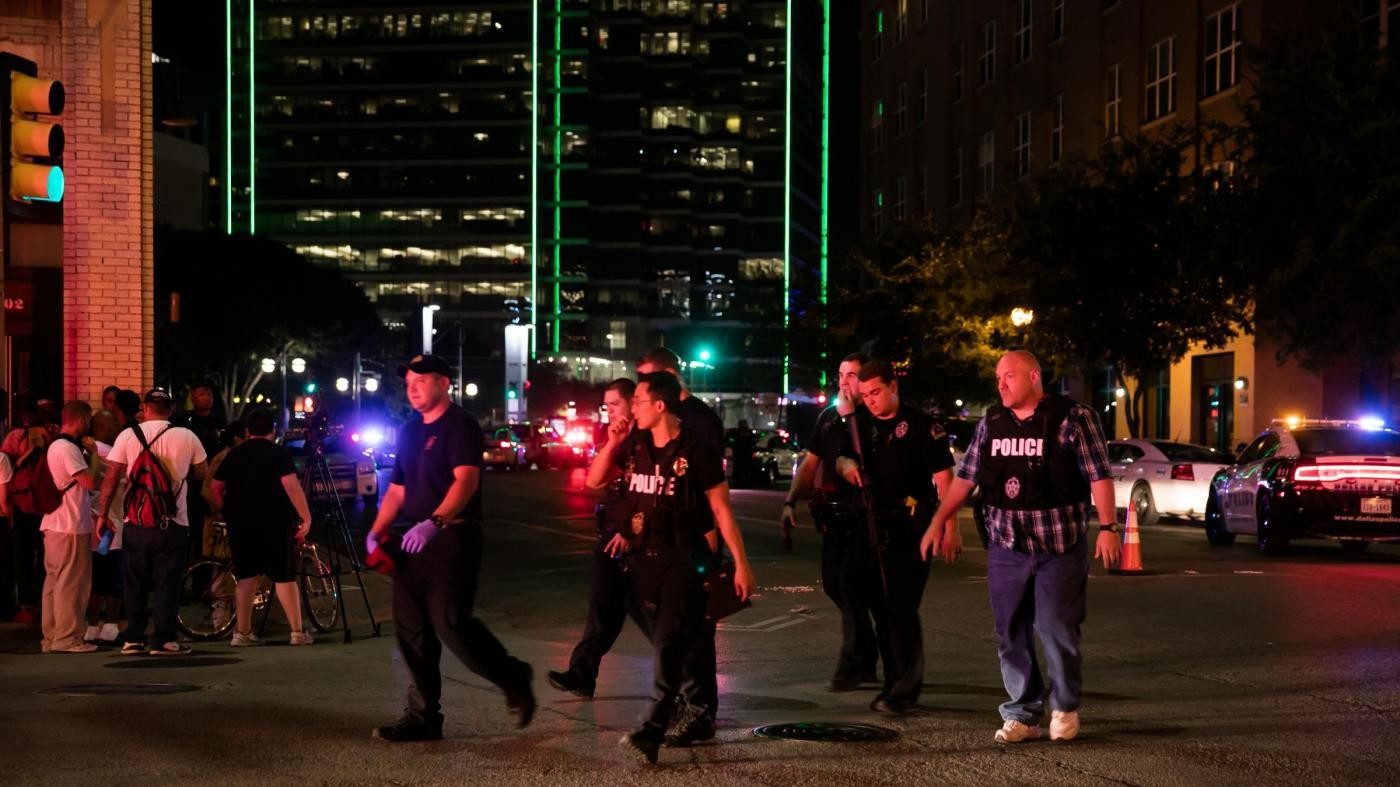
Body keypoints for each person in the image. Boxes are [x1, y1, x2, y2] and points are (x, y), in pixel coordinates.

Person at [920, 350, 1122, 744]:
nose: (1001, 384)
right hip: (1005, 547)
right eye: (998, 378)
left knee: (1055, 627)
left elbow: (1099, 475)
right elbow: (965, 479)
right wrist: (938, 521)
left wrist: (1109, 527)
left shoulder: (1074, 419)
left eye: (1009, 376)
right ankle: (1024, 714)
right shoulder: (991, 424)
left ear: (1033, 376)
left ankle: (1064, 706)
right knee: (1010, 632)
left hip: (1059, 546)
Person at [365, 354, 535, 742]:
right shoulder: (408, 432)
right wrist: (376, 532)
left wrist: (435, 522)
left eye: (421, 380)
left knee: (452, 624)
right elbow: (398, 488)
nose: (412, 387)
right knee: (411, 630)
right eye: (408, 381)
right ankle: (423, 716)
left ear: (444, 383)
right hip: (411, 542)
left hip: (453, 536)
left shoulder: (461, 425)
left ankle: (513, 676)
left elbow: (466, 481)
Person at [602, 372, 755, 765]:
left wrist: (740, 564)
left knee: (669, 640)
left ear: (659, 405)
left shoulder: (697, 452)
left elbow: (722, 511)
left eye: (636, 399)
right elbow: (594, 479)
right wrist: (612, 442)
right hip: (642, 561)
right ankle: (678, 710)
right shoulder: (634, 445)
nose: (630, 406)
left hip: (684, 559)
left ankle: (652, 728)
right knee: (666, 642)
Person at [831, 359, 955, 715]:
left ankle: (903, 688)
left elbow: (945, 480)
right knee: (861, 595)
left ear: (893, 387)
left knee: (899, 607)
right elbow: (840, 458)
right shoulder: (861, 426)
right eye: (864, 394)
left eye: (875, 393)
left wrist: (949, 526)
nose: (869, 400)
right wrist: (847, 466)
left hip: (911, 526)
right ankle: (880, 672)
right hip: (870, 524)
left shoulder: (921, 426)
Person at [633, 346, 725, 745]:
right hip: (656, 548)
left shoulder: (699, 422)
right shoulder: (646, 428)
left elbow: (711, 493)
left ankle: (699, 710)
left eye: (648, 381)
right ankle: (680, 698)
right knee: (666, 628)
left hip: (695, 542)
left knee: (693, 631)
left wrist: (717, 551)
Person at [779, 351, 880, 691]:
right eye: (841, 374)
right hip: (833, 518)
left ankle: (852, 663)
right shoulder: (827, 417)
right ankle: (868, 654)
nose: (844, 381)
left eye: (851, 375)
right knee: (835, 586)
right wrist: (791, 501)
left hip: (867, 518)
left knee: (851, 588)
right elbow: (810, 464)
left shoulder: (874, 417)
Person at [549, 378, 648, 698]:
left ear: (634, 403)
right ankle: (581, 674)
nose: (610, 411)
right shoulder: (620, 441)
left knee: (651, 615)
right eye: (606, 406)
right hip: (611, 538)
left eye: (615, 404)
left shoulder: (646, 440)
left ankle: (685, 681)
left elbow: (647, 496)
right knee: (602, 607)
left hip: (637, 540)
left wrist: (629, 531)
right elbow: (594, 480)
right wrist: (610, 443)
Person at [96, 388, 208, 656]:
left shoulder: (127, 435)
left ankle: (133, 639)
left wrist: (102, 515)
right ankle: (163, 640)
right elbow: (199, 472)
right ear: (170, 409)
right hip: (173, 523)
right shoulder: (187, 436)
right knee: (167, 583)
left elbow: (111, 479)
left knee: (135, 583)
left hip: (134, 522)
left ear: (144, 409)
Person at [209, 408, 314, 646]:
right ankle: (297, 632)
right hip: (274, 521)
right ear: (273, 430)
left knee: (246, 577)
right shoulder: (278, 454)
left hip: (240, 523)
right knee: (283, 576)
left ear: (247, 431)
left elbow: (216, 487)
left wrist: (227, 510)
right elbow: (291, 487)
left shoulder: (234, 455)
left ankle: (242, 633)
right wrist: (306, 518)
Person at [39, 401, 100, 654]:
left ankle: (52, 636)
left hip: (54, 523)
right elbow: (89, 481)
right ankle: (68, 638)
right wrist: (94, 454)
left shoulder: (55, 446)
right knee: (72, 583)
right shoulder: (67, 447)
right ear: (82, 419)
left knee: (54, 582)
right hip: (70, 525)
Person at [85, 410, 126, 644]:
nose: (119, 428)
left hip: (91, 527)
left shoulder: (88, 452)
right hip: (114, 524)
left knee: (96, 581)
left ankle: (91, 626)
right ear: (107, 427)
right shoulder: (113, 454)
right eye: (115, 424)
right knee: (115, 579)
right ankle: (110, 627)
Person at [175, 380, 225, 562]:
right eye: (201, 395)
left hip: (215, 483)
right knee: (192, 532)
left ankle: (205, 576)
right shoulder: (185, 422)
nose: (206, 399)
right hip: (191, 485)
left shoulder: (219, 421)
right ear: (193, 399)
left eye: (208, 395)